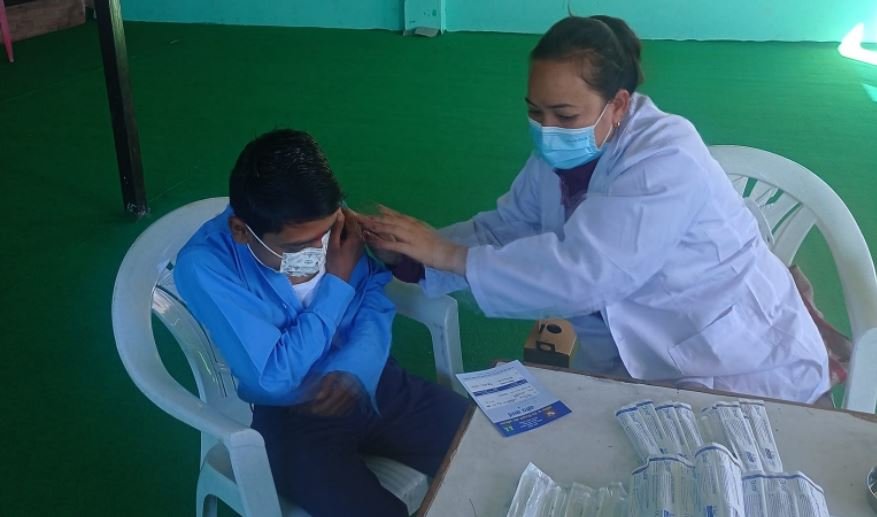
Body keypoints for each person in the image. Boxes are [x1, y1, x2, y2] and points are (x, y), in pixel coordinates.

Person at [363, 15, 829, 404]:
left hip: (741, 362)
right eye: (534, 112)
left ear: (619, 105)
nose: (547, 131)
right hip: (636, 359)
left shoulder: (668, 157)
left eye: (564, 116)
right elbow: (510, 227)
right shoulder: (561, 154)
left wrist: (449, 256)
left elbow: (589, 274)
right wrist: (414, 252)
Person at [173, 129, 468, 517]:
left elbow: (375, 301)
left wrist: (352, 368)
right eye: (297, 247)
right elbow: (274, 378)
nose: (320, 251)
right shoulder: (204, 267)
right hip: (293, 417)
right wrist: (336, 284)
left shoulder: (336, 228)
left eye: (326, 234)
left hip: (371, 380)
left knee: (482, 441)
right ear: (241, 231)